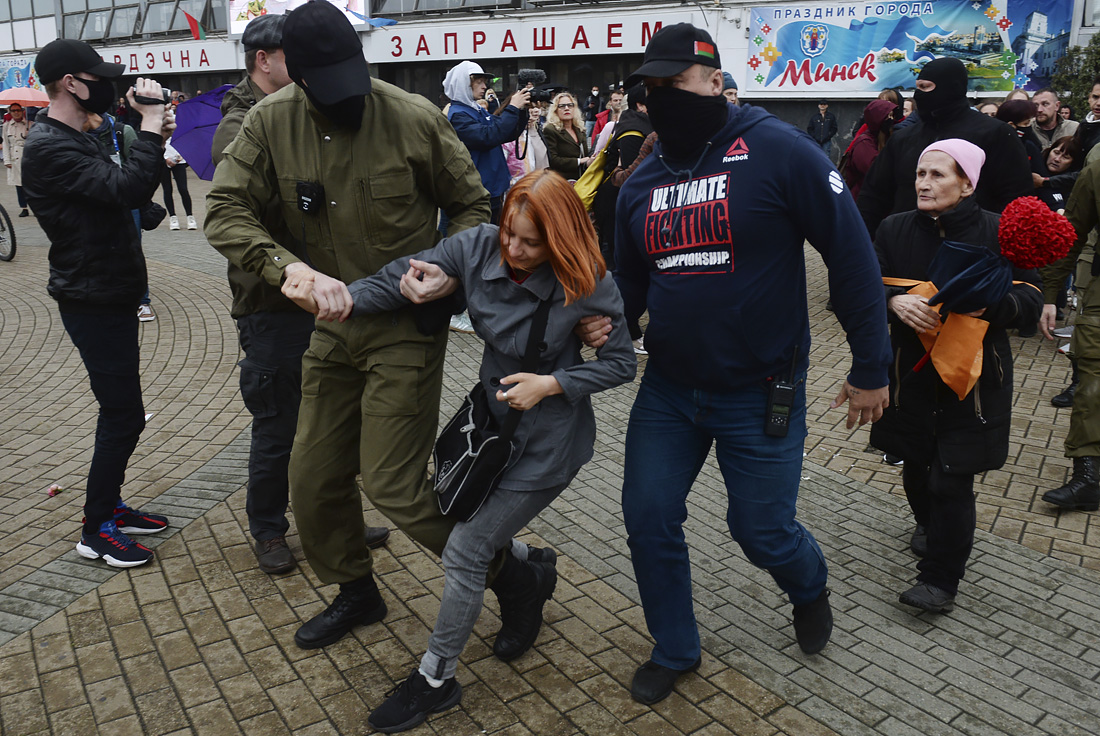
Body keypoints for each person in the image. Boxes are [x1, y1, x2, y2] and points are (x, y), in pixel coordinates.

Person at [205, 0, 549, 653]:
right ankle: (356, 590)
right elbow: (224, 209)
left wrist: (448, 270)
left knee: (393, 483)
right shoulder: (269, 122)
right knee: (312, 478)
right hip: (330, 326)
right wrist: (287, 269)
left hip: (405, 326)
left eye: (353, 79)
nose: (348, 98)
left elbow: (473, 208)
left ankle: (514, 575)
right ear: (297, 75)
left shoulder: (414, 117)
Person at [284, 170, 636, 732]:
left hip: (547, 445)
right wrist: (342, 300)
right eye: (509, 233)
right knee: (457, 511)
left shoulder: (586, 279)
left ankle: (435, 679)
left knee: (467, 550)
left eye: (531, 243)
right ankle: (528, 571)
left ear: (559, 240)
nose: (514, 249)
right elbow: (401, 278)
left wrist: (553, 383)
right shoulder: (476, 246)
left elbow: (621, 364)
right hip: (488, 431)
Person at [611, 23, 891, 704]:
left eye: (675, 83)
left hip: (762, 387)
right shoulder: (640, 184)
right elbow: (629, 286)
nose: (661, 98)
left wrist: (871, 366)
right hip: (669, 390)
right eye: (652, 88)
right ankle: (675, 647)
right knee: (647, 517)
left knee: (761, 530)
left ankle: (809, 584)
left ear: (716, 82)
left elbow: (850, 254)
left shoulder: (779, 150)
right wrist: (593, 330)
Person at [208, 13, 392, 575]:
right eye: (295, 56)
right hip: (273, 302)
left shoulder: (311, 109)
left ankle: (339, 519)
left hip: (328, 296)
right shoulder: (242, 125)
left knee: (336, 418)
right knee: (279, 423)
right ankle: (268, 527)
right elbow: (237, 212)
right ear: (264, 59)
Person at [872, 140, 1042, 613]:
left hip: (974, 379)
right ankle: (928, 524)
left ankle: (940, 582)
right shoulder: (893, 228)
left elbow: (1030, 297)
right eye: (920, 173)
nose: (924, 183)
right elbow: (862, 284)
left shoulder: (999, 230)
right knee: (915, 464)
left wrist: (992, 306)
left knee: (951, 478)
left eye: (937, 175)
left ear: (967, 185)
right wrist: (893, 302)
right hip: (910, 373)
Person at [22, 39, 173, 567]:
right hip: (92, 298)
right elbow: (126, 189)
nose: (107, 86)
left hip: (110, 291)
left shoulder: (77, 135)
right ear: (70, 82)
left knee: (123, 413)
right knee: (123, 416)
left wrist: (152, 138)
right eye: (97, 78)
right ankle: (96, 528)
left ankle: (110, 506)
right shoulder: (47, 145)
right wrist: (148, 128)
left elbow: (125, 192)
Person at [857, 57, 1033, 238]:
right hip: (907, 243)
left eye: (926, 87)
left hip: (972, 245)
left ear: (950, 88)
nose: (919, 95)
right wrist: (865, 243)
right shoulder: (903, 138)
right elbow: (874, 196)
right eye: (917, 87)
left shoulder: (995, 134)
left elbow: (1016, 196)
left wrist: (997, 242)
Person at [1039, 154, 1100, 512]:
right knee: (1092, 380)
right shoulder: (1097, 171)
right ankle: (1088, 476)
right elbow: (1071, 234)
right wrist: (1049, 295)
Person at [442, 60, 529, 225]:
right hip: (478, 192)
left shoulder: (476, 109)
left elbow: (505, 132)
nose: (484, 86)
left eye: (484, 82)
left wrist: (522, 110)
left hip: (491, 188)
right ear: (463, 84)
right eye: (479, 82)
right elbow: (489, 136)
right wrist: (512, 107)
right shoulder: (458, 115)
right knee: (483, 237)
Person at [843, 99, 899, 201]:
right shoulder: (864, 143)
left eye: (892, 116)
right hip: (862, 200)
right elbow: (876, 172)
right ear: (877, 118)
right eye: (887, 116)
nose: (891, 120)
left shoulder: (885, 138)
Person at [543, 91, 590, 180]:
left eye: (570, 105)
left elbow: (585, 154)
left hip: (581, 179)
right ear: (555, 110)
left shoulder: (580, 128)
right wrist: (579, 161)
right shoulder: (550, 129)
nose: (567, 108)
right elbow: (553, 160)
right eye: (562, 106)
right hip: (561, 180)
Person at [161, 137, 195, 231]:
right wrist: (165, 158)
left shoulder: (180, 130)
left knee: (183, 189)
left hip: (179, 159)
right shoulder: (161, 129)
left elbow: (187, 142)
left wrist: (181, 156)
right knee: (167, 189)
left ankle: (190, 216)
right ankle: (173, 217)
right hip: (163, 159)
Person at [3, 103, 30, 216]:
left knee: (31, 183)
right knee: (18, 184)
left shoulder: (29, 124)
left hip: (27, 156)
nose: (16, 113)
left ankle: (35, 206)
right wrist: (7, 160)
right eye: (13, 111)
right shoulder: (7, 126)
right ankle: (24, 207)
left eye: (18, 110)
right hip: (14, 157)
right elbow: (5, 143)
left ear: (22, 111)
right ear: (10, 112)